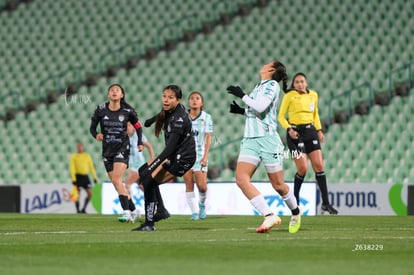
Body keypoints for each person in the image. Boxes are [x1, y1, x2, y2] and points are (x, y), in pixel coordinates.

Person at [227, 60, 301, 234]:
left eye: (267, 63)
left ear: (271, 69)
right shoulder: (259, 86)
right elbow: (256, 111)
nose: (263, 64)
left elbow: (260, 107)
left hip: (267, 140)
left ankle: (296, 212)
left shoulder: (272, 85)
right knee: (241, 179)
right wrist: (241, 111)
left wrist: (242, 95)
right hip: (250, 140)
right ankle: (269, 215)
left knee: (278, 185)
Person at [132, 84, 196, 231]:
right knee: (143, 171)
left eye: (170, 97)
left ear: (178, 100)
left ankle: (149, 223)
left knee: (148, 179)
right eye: (164, 96)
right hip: (175, 155)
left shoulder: (179, 120)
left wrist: (154, 165)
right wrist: (150, 120)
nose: (166, 100)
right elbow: (162, 114)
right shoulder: (171, 110)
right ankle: (161, 210)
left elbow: (169, 150)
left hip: (183, 159)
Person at [277, 72, 338, 214]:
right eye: (297, 82)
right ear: (293, 84)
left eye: (302, 81)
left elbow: (315, 114)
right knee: (303, 168)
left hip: (311, 131)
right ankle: (295, 202)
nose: (300, 84)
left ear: (306, 83)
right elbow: (280, 116)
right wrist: (289, 129)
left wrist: (319, 129)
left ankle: (326, 203)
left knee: (319, 166)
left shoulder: (313, 95)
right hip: (295, 133)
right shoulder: (289, 96)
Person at [90, 84, 143, 223]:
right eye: (111, 90)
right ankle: (134, 210)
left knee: (117, 180)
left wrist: (140, 142)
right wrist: (96, 135)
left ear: (121, 95)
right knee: (116, 183)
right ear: (108, 95)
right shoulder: (101, 109)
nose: (114, 92)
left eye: (117, 90)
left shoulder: (127, 110)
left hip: (122, 148)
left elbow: (138, 126)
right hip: (107, 150)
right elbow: (92, 128)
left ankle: (126, 212)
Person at [183, 91, 213, 220]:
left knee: (202, 186)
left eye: (197, 98)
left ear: (202, 103)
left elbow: (208, 138)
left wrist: (205, 156)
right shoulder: (184, 116)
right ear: (188, 102)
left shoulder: (206, 117)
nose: (194, 100)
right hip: (185, 155)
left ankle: (201, 205)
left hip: (200, 155)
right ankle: (194, 212)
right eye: (192, 98)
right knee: (189, 184)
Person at [118, 122, 155, 222]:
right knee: (143, 187)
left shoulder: (139, 136)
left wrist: (152, 159)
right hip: (133, 166)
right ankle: (156, 205)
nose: (127, 128)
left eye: (129, 126)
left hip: (139, 166)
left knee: (127, 185)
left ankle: (132, 210)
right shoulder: (124, 138)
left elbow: (149, 146)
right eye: (126, 127)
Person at [69, 141, 98, 213]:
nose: (79, 148)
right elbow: (72, 168)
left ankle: (83, 209)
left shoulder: (86, 156)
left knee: (90, 193)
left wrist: (94, 177)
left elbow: (91, 167)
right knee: (77, 194)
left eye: (80, 146)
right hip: (77, 176)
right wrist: (73, 179)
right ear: (76, 148)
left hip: (85, 176)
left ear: (83, 147)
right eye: (78, 147)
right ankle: (78, 210)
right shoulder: (73, 156)